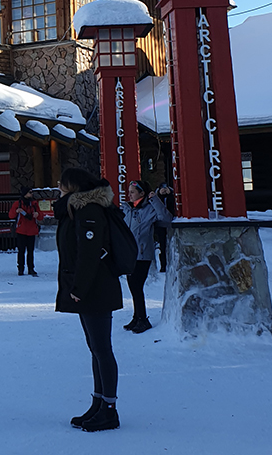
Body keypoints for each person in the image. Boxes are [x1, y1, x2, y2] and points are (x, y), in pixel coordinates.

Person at [54, 167, 123, 432]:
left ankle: (109, 409)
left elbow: (89, 253)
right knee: (95, 348)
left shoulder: (89, 211)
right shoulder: (77, 209)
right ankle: (98, 402)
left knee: (102, 349)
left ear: (73, 187)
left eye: (62, 183)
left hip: (97, 288)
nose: (58, 187)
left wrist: (79, 288)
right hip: (90, 288)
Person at [121, 180, 173, 334]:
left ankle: (143, 319)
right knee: (132, 286)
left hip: (142, 253)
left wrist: (155, 199)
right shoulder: (128, 209)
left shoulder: (150, 209)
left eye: (132, 192)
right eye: (129, 192)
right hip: (129, 253)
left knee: (137, 286)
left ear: (142, 193)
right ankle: (137, 316)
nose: (129, 195)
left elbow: (166, 218)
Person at [9, 189, 43, 276]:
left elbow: (40, 216)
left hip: (31, 230)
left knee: (30, 251)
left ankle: (31, 268)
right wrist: (16, 211)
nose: (31, 194)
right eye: (30, 192)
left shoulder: (34, 204)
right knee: (21, 251)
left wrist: (37, 215)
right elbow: (11, 215)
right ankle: (21, 268)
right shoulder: (18, 204)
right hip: (21, 230)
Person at [152, 183, 176, 273]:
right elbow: (159, 208)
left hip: (171, 223)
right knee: (162, 246)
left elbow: (172, 207)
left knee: (171, 245)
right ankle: (163, 266)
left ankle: (170, 264)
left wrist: (170, 195)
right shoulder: (157, 197)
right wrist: (160, 196)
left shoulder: (172, 196)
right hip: (160, 224)